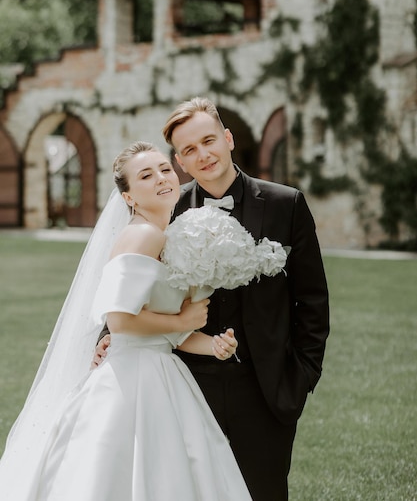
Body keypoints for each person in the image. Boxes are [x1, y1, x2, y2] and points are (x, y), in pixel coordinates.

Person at [94, 98, 330, 500]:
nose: (202, 155)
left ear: (228, 138)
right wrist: (107, 334)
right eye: (188, 150)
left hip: (264, 388)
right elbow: (134, 277)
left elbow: (312, 300)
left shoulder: (284, 204)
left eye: (208, 141)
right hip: (184, 383)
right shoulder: (165, 205)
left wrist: (302, 374)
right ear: (180, 161)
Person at [0, 141, 253, 501]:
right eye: (146, 176)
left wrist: (213, 345)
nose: (162, 178)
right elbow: (119, 321)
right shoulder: (141, 235)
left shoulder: (167, 237)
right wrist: (183, 318)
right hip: (130, 380)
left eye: (165, 170)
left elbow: (173, 335)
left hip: (162, 370)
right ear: (129, 197)